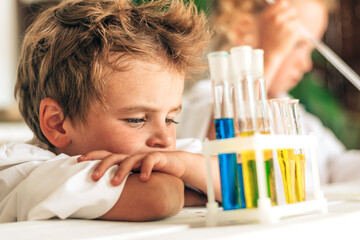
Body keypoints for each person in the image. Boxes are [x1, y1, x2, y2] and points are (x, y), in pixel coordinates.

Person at [0, 0, 222, 223]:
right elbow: (160, 197)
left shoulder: (153, 153)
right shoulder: (26, 172)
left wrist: (185, 165)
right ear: (58, 123)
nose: (165, 139)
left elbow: (245, 180)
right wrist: (187, 181)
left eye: (170, 120)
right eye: (136, 120)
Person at [177, 0, 360, 186]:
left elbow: (337, 166)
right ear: (244, 30)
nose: (306, 64)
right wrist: (270, 55)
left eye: (310, 50)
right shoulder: (207, 100)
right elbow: (220, 156)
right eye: (297, 44)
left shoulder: (300, 117)